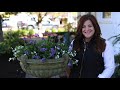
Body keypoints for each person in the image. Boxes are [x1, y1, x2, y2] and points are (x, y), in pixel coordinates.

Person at [67, 14, 116, 78]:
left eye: (90, 26)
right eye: (83, 26)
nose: (86, 29)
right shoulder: (74, 42)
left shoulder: (105, 44)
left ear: (95, 27)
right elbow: (69, 63)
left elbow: (110, 68)